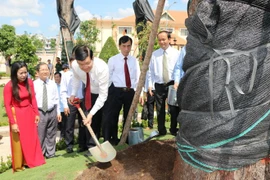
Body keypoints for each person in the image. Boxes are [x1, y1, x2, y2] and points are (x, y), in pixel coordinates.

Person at [3, 61, 45, 172]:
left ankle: (34, 160)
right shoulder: (9, 86)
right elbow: (7, 106)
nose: (23, 75)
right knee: (20, 140)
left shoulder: (29, 82)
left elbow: (33, 99)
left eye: (25, 72)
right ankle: (22, 163)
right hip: (17, 114)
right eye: (21, 73)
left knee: (32, 138)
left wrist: (36, 113)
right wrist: (13, 122)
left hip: (29, 113)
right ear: (15, 73)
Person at [69, 45, 109, 156]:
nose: (85, 67)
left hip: (105, 93)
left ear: (92, 58)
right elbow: (76, 78)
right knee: (91, 122)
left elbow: (103, 96)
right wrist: (73, 93)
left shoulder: (102, 67)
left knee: (105, 120)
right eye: (81, 64)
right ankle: (92, 148)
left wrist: (91, 114)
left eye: (87, 63)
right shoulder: (75, 65)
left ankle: (107, 143)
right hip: (90, 93)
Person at [104, 35, 140, 145]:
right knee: (113, 116)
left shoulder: (134, 61)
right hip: (116, 91)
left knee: (128, 116)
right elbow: (108, 76)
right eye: (124, 46)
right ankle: (113, 138)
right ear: (119, 46)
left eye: (129, 46)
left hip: (130, 91)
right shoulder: (113, 60)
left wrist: (138, 92)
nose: (126, 49)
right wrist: (107, 92)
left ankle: (126, 138)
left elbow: (138, 76)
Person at [147, 31, 179, 136]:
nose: (162, 42)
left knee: (173, 108)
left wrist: (178, 83)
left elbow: (179, 69)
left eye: (164, 39)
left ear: (169, 39)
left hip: (172, 84)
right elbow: (150, 71)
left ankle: (173, 129)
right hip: (159, 85)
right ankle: (161, 130)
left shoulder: (176, 54)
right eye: (160, 40)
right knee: (160, 109)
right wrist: (150, 85)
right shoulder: (154, 55)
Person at [34, 62, 61, 159]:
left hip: (52, 111)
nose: (45, 71)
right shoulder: (34, 84)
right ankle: (40, 154)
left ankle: (51, 153)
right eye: (43, 69)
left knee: (51, 133)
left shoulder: (52, 84)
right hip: (40, 112)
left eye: (47, 69)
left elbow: (56, 99)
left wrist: (58, 112)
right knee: (40, 134)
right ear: (37, 72)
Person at [60, 60, 84, 153]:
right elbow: (63, 91)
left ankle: (82, 144)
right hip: (71, 102)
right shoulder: (66, 75)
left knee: (83, 124)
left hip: (82, 101)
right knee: (69, 125)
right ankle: (69, 145)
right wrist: (65, 105)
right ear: (70, 63)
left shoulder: (83, 74)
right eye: (72, 63)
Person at [54, 72, 67, 140]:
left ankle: (64, 137)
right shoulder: (54, 86)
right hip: (57, 109)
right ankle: (62, 137)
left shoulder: (64, 86)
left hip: (64, 108)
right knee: (60, 124)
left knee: (65, 124)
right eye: (55, 77)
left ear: (60, 77)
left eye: (57, 77)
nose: (56, 78)